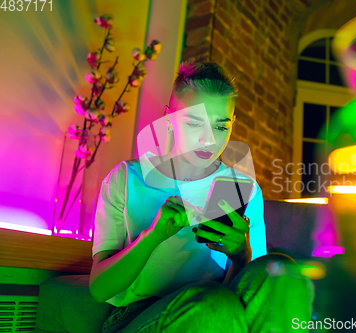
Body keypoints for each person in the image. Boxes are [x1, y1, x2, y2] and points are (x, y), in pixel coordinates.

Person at [89, 62, 314, 333]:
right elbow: (100, 290)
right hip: (139, 315)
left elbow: (253, 296)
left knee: (283, 276)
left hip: (221, 311)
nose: (209, 140)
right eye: (195, 123)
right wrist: (152, 236)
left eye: (221, 127)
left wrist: (242, 256)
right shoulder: (127, 179)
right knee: (213, 304)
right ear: (168, 119)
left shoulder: (244, 189)